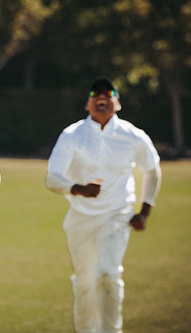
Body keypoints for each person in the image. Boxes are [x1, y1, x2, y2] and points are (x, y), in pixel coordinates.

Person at [45, 77, 162, 333]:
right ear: (88, 103)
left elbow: (152, 171)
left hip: (117, 214)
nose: (101, 97)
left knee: (109, 275)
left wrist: (144, 211)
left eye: (108, 93)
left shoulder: (133, 136)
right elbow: (52, 177)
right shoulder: (72, 135)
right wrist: (78, 189)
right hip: (80, 218)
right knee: (84, 283)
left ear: (116, 103)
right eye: (95, 93)